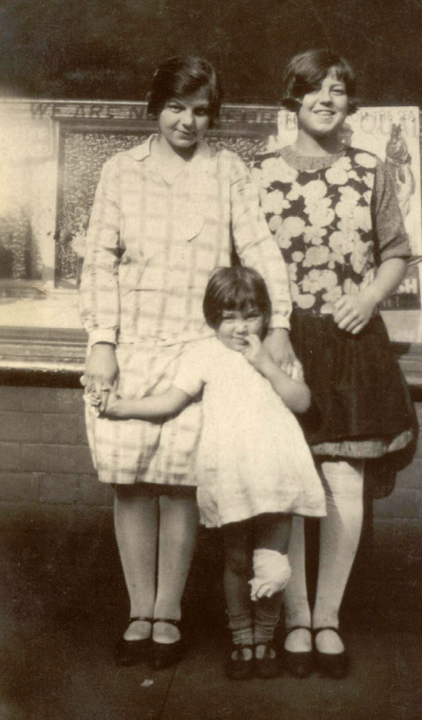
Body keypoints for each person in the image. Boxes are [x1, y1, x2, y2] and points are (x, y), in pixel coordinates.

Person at [79, 56, 296, 670]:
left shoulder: (228, 172)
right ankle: (137, 610)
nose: (188, 120)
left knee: (178, 485)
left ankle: (168, 612)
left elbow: (258, 248)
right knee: (129, 482)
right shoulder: (121, 171)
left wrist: (277, 327)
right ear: (157, 107)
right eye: (177, 107)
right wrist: (102, 341)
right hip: (128, 344)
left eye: (201, 110)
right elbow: (99, 259)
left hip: (202, 350)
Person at [251, 49, 417, 678]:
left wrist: (370, 295)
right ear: (291, 98)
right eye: (313, 88)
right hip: (285, 343)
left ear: (351, 102)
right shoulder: (258, 173)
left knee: (344, 479)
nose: (326, 98)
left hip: (351, 344)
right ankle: (294, 619)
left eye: (338, 89)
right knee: (291, 480)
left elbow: (397, 252)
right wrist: (270, 332)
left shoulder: (370, 170)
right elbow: (242, 262)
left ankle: (328, 618)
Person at [94, 267, 326, 679]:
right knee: (238, 561)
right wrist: (120, 407)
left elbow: (303, 402)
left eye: (250, 315)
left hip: (276, 472)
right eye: (228, 317)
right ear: (212, 318)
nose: (240, 327)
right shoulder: (204, 354)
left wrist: (266, 365)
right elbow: (169, 401)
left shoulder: (276, 352)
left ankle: (265, 639)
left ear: (265, 315)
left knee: (272, 564)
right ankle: (242, 639)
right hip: (231, 475)